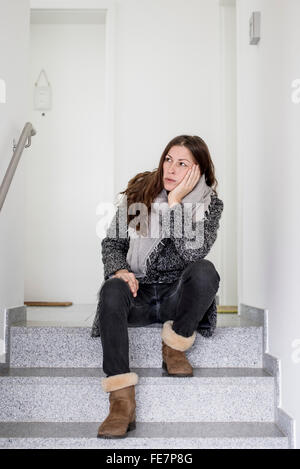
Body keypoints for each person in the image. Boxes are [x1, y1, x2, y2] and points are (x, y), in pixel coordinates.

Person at [91, 134, 224, 439]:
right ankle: (121, 402)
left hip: (175, 296)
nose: (171, 169)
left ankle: (175, 345)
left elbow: (193, 252)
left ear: (198, 172)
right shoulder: (140, 193)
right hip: (138, 292)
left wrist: (175, 203)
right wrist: (120, 269)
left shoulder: (210, 205)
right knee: (110, 289)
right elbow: (113, 242)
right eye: (168, 159)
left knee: (205, 272)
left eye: (182, 163)